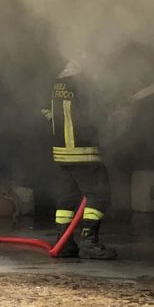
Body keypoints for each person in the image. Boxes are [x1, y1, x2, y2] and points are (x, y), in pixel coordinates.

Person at [45, 59, 118, 259]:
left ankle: (64, 242)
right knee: (100, 194)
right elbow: (96, 114)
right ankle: (88, 241)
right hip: (83, 150)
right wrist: (112, 110)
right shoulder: (85, 84)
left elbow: (48, 113)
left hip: (61, 151)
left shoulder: (56, 83)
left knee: (68, 197)